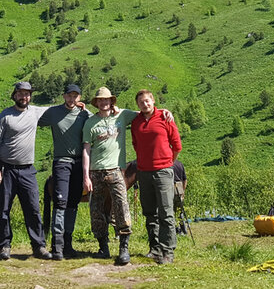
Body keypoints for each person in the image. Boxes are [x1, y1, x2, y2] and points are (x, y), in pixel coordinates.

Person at [0, 81, 55, 260]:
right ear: (15, 95)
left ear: (30, 96)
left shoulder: (35, 112)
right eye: (21, 93)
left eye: (27, 94)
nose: (24, 97)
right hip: (6, 169)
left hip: (27, 170)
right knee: (3, 210)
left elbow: (55, 109)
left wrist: (74, 104)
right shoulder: (4, 116)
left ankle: (39, 246)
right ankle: (4, 246)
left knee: (33, 209)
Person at [82, 86, 138, 265]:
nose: (104, 102)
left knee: (121, 205)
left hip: (115, 169)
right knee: (96, 209)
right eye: (100, 100)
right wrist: (86, 176)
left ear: (111, 101)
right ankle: (102, 247)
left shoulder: (122, 116)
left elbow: (145, 111)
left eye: (107, 100)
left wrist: (164, 112)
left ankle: (124, 248)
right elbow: (86, 150)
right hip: (96, 171)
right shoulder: (90, 123)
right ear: (96, 103)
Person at [36, 83, 88, 260]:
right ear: (64, 96)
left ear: (79, 98)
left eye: (75, 96)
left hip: (79, 163)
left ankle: (68, 244)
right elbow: (33, 116)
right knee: (60, 203)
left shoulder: (84, 114)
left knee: (73, 203)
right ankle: (57, 246)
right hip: (61, 162)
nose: (72, 99)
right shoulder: (53, 112)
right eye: (69, 95)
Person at [130, 89, 182, 264]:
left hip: (163, 172)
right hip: (143, 172)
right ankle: (155, 248)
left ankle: (168, 251)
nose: (145, 104)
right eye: (141, 102)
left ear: (153, 101)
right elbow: (136, 145)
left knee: (166, 212)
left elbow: (177, 146)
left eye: (147, 101)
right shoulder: (136, 122)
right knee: (150, 212)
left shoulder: (164, 118)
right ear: (138, 105)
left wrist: (167, 163)